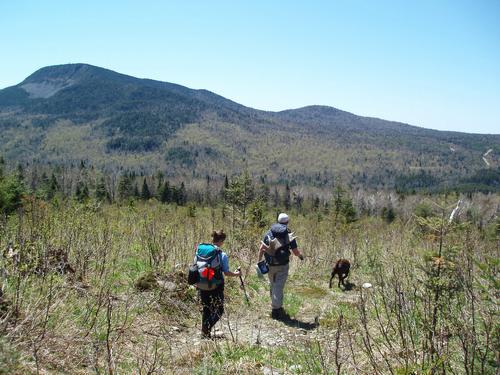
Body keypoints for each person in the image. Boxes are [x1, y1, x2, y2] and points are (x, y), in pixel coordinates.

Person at [258, 213, 304, 320]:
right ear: (287, 222)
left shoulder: (268, 233)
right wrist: (301, 256)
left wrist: (259, 261)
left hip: (269, 264)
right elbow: (295, 252)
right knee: (278, 287)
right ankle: (276, 310)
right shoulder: (288, 234)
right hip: (283, 265)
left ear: (277, 221)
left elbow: (261, 249)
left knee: (273, 285)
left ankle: (275, 305)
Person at [197, 229, 241, 338]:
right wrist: (237, 274)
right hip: (216, 285)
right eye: (223, 241)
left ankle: (205, 333)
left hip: (202, 284)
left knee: (206, 308)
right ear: (221, 240)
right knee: (219, 310)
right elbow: (226, 273)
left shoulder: (201, 251)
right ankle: (206, 328)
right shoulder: (222, 254)